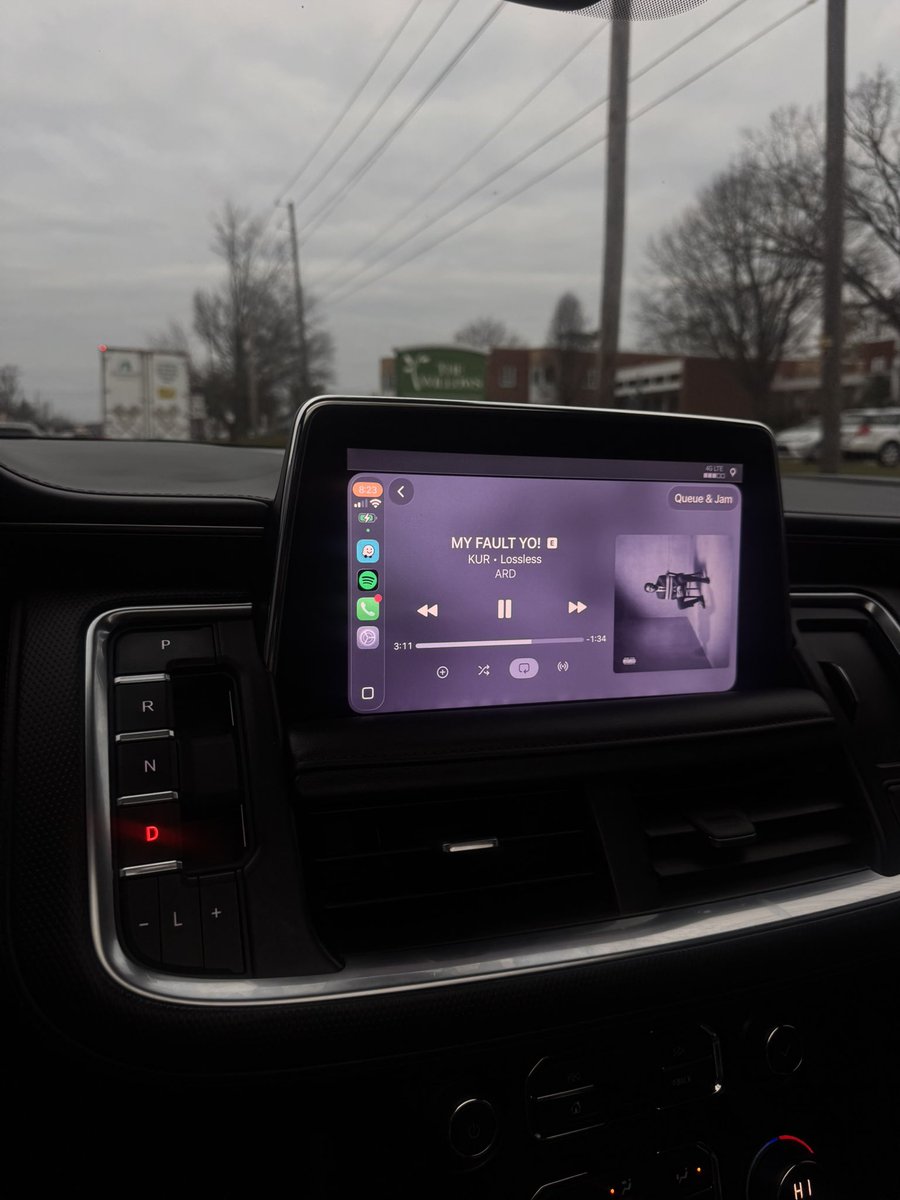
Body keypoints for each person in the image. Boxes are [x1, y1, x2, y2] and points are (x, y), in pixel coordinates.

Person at [644, 571, 709, 609]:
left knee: (680, 578)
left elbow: (673, 579)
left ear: (651, 583)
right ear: (650, 592)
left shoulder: (660, 578)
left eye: (650, 585)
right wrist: (677, 595)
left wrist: (678, 586)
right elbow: (671, 597)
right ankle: (699, 599)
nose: (651, 588)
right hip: (678, 594)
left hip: (679, 582)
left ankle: (703, 580)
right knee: (680, 606)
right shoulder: (659, 596)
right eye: (650, 589)